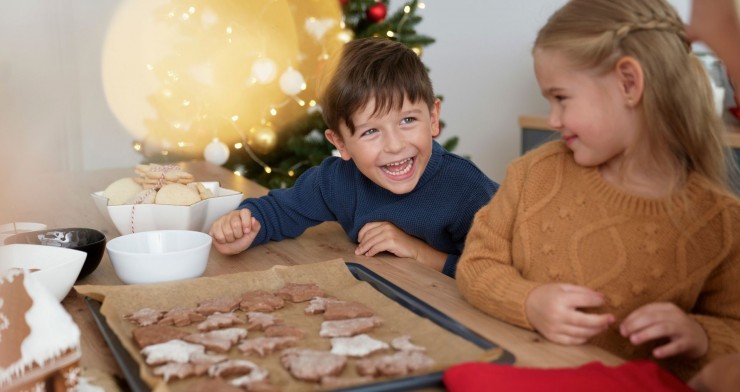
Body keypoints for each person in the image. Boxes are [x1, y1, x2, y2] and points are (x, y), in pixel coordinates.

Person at [456, 0, 740, 381]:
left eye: (561, 98)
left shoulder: (720, 222)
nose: (553, 120)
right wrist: (529, 301)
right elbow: (476, 264)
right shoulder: (533, 174)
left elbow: (734, 327)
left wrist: (700, 335)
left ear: (628, 83)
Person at [209, 37, 498, 278]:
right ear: (341, 143)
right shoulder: (336, 181)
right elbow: (279, 212)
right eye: (371, 130)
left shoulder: (467, 191)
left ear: (433, 119)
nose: (395, 145)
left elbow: (499, 275)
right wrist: (244, 227)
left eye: (408, 120)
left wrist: (418, 252)